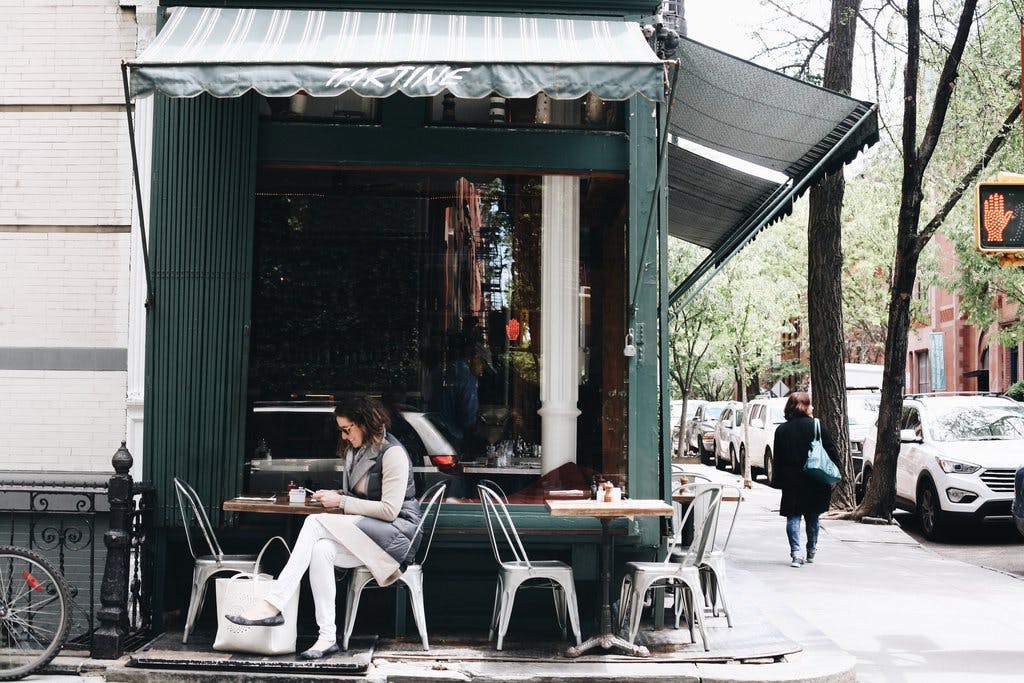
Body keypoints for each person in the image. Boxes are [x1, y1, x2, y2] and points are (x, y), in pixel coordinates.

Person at [227, 395, 422, 659]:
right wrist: (336, 493)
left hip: (396, 538)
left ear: (365, 423)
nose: (343, 436)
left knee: (314, 521)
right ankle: (327, 638)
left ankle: (272, 604)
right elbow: (363, 496)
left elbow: (389, 510)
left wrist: (341, 500)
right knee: (320, 550)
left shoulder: (393, 453)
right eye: (341, 430)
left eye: (347, 429)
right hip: (369, 534)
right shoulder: (358, 450)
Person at [772, 392, 839, 568]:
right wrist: (834, 477)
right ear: (804, 406)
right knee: (813, 518)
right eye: (810, 404)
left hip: (791, 481)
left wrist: (778, 482)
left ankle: (795, 553)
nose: (813, 407)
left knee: (793, 518)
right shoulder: (817, 426)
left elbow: (776, 459)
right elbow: (832, 451)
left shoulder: (781, 430)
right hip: (815, 480)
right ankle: (811, 549)